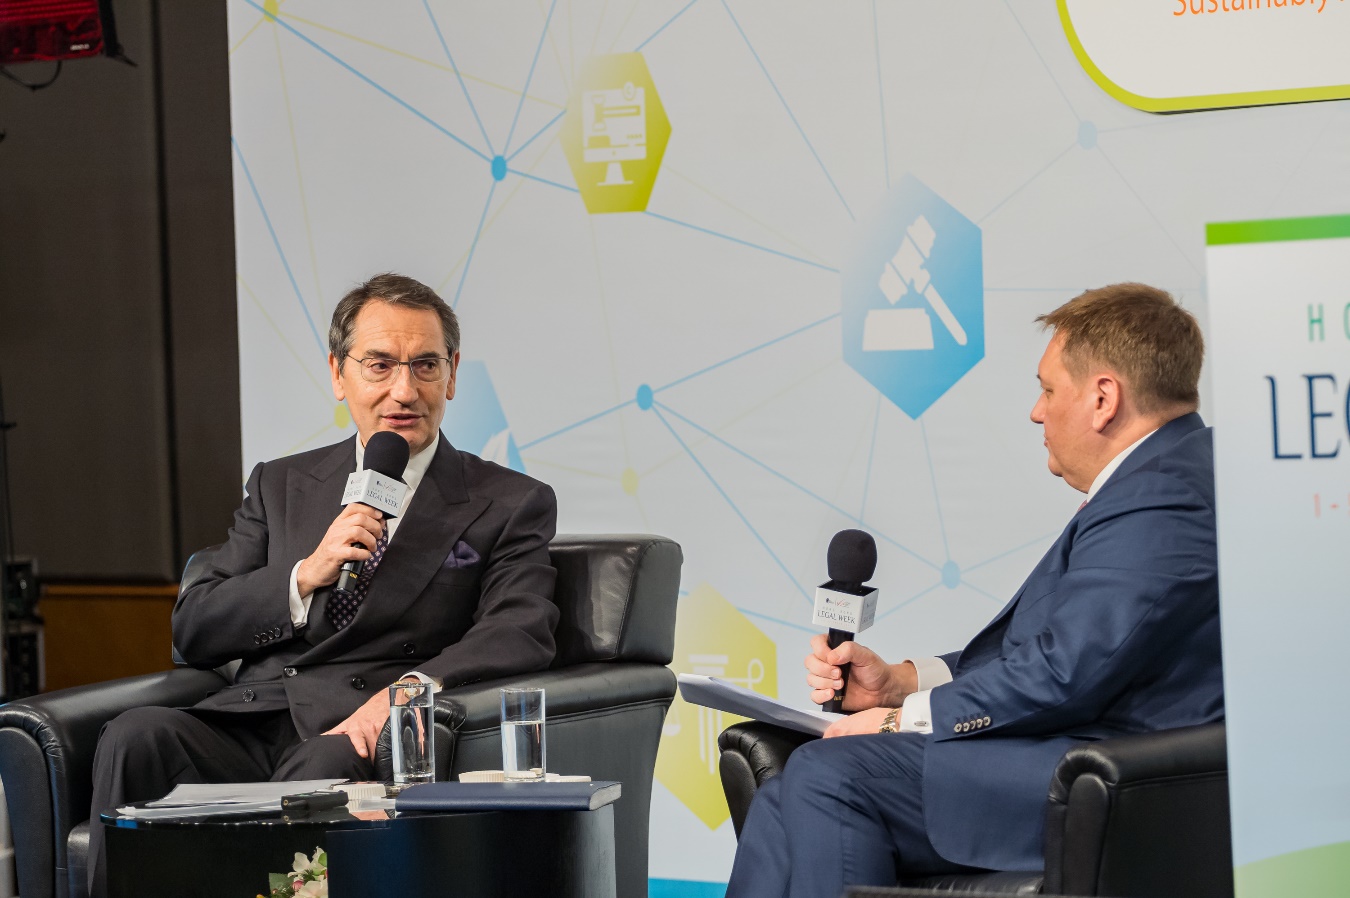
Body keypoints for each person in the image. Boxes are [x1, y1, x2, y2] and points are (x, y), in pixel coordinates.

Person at [726, 283, 1224, 897]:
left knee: (832, 776)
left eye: (1046, 389)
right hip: (1072, 751)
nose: (1036, 412)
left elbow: (1065, 669)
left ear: (1102, 399)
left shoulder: (1164, 496)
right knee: (785, 798)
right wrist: (905, 681)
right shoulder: (1162, 477)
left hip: (1112, 775)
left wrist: (898, 721)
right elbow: (1052, 648)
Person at [88, 273, 559, 895]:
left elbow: (519, 627)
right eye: (380, 365)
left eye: (424, 365)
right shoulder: (280, 484)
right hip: (253, 717)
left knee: (326, 765)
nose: (404, 389)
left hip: (357, 730)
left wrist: (404, 696)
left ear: (451, 375)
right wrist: (305, 574)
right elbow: (196, 627)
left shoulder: (507, 499)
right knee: (136, 735)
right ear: (339, 374)